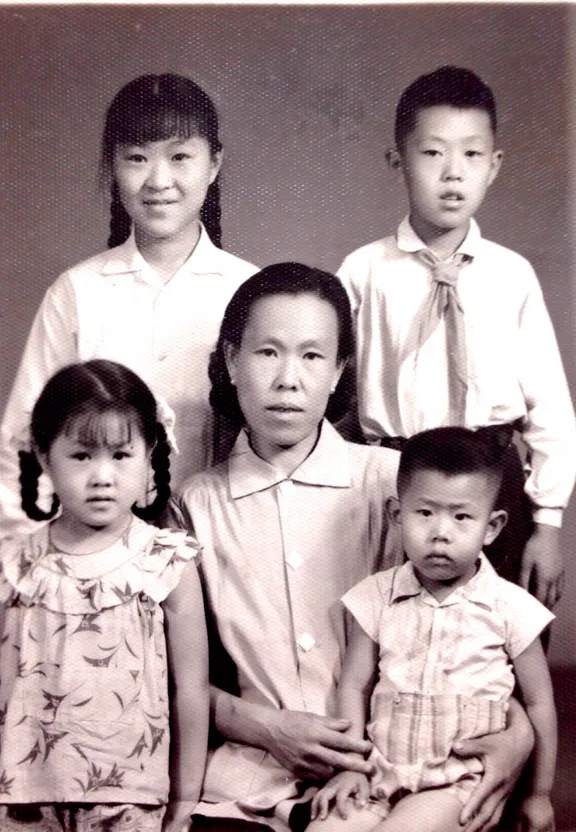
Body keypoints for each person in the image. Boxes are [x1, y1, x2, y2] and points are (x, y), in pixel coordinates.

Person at [175, 264, 534, 832]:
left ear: (340, 369)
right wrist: (265, 726)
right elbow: (170, 674)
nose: (288, 379)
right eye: (267, 353)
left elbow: (476, 630)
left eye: (313, 356)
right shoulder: (196, 505)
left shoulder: (398, 484)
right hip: (251, 781)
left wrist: (519, 731)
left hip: (406, 775)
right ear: (230, 360)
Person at [337, 65, 576, 609]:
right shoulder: (362, 271)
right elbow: (336, 390)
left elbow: (550, 406)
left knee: (496, 641)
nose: (452, 174)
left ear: (493, 166)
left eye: (471, 155)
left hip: (494, 480)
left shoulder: (511, 274)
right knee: (392, 632)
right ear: (398, 162)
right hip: (395, 480)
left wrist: (549, 523)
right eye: (432, 153)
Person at [0, 72, 258, 539]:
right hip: (97, 553)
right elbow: (21, 438)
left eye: (180, 157)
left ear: (215, 163)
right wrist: (24, 562)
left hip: (224, 547)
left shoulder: (249, 292)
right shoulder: (77, 291)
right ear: (112, 166)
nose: (159, 181)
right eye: (136, 158)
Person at [308, 427, 556, 832]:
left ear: (491, 527)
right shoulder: (375, 597)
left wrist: (538, 795)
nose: (441, 533)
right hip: (379, 773)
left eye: (461, 517)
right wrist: (349, 768)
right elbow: (353, 686)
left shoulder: (511, 608)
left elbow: (541, 704)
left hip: (456, 782)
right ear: (397, 515)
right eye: (425, 513)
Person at [0, 360, 208, 832]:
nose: (102, 476)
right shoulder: (17, 564)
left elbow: (190, 690)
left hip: (130, 799)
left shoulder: (166, 562)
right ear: (44, 455)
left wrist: (186, 798)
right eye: (81, 456)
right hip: (22, 793)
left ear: (150, 453)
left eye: (120, 455)